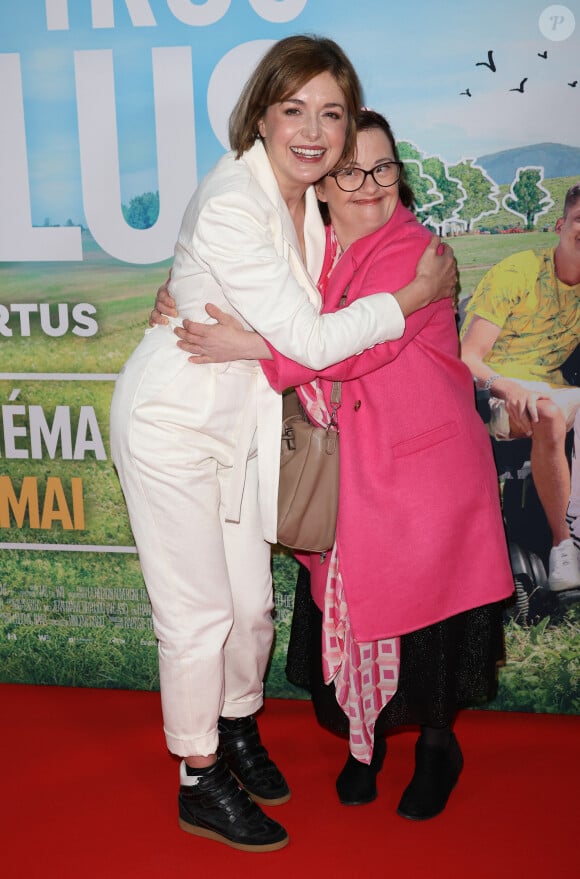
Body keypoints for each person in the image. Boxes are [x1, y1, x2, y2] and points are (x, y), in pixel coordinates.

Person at [110, 37, 456, 853]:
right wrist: (413, 297)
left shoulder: (307, 197)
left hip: (247, 425)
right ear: (260, 113)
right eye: (293, 109)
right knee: (198, 616)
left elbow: (290, 299)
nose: (313, 129)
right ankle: (198, 777)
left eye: (330, 112)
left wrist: (183, 281)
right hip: (175, 423)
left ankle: (234, 729)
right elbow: (309, 331)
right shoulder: (237, 196)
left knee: (252, 606)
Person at [154, 109, 514, 822]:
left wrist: (251, 347)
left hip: (423, 477)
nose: (369, 185)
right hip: (352, 479)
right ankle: (365, 744)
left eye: (384, 168)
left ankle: (438, 746)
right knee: (359, 614)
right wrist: (186, 302)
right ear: (321, 183)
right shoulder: (305, 245)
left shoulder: (419, 253)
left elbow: (356, 348)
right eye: (350, 170)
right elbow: (274, 305)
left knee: (429, 627)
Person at [460, 183, 580, 592]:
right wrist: (506, 388)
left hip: (556, 386)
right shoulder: (517, 272)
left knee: (550, 404)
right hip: (495, 389)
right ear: (561, 224)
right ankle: (564, 546)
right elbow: (469, 358)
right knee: (546, 411)